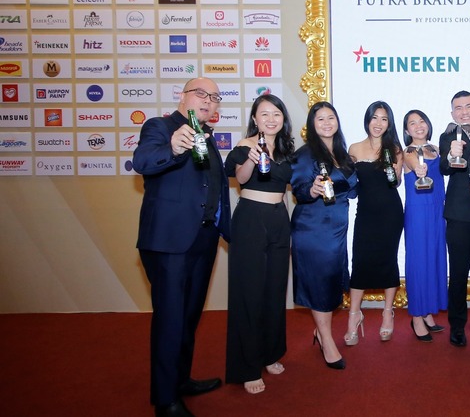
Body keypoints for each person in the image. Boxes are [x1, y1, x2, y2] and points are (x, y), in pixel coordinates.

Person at [133, 77, 231, 417]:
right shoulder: (160, 128)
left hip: (203, 240)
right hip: (169, 242)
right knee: (171, 318)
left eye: (214, 97)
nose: (208, 101)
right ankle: (165, 400)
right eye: (201, 94)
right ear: (183, 96)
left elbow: (211, 186)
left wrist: (224, 228)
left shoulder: (207, 136)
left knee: (189, 316)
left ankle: (180, 379)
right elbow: (143, 162)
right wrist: (173, 148)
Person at [224, 94, 295, 394]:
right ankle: (247, 367)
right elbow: (240, 178)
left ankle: (270, 353)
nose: (271, 119)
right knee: (249, 292)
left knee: (275, 290)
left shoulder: (287, 150)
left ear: (283, 118)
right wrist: (251, 160)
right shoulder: (245, 145)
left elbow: (289, 184)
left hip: (279, 218)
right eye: (264, 114)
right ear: (255, 118)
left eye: (276, 113)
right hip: (251, 218)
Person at [291, 101, 357, 370]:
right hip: (313, 228)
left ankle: (321, 332)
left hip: (337, 230)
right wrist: (312, 190)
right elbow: (299, 189)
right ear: (312, 124)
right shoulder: (305, 154)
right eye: (320, 119)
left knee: (330, 283)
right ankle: (327, 341)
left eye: (331, 117)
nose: (327, 123)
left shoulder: (342, 153)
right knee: (319, 284)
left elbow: (351, 188)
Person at [345, 101, 405, 344]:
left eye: (384, 119)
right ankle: (354, 315)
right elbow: (348, 181)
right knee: (359, 261)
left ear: (389, 123)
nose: (378, 123)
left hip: (391, 214)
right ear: (367, 120)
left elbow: (396, 182)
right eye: (374, 118)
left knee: (388, 260)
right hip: (365, 214)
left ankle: (387, 313)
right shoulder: (354, 148)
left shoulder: (395, 149)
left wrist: (393, 170)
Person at [439, 90, 470, 347]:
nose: (464, 112)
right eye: (458, 108)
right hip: (459, 215)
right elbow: (445, 167)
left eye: (469, 106)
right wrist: (451, 154)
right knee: (458, 272)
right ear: (452, 113)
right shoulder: (448, 137)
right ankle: (457, 325)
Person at [401, 109, 448, 342]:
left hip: (438, 211)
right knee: (419, 262)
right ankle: (417, 317)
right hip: (418, 213)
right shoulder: (407, 152)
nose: (418, 126)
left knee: (435, 259)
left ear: (428, 124)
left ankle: (428, 312)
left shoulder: (436, 149)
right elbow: (415, 163)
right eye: (412, 123)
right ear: (406, 130)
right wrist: (420, 169)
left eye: (421, 121)